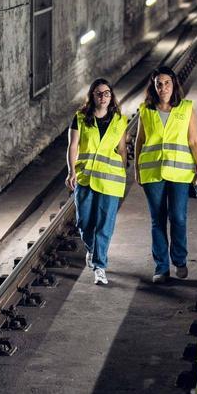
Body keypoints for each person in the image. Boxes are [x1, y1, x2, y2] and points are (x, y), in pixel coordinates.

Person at [134, 66, 197, 283]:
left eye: (167, 83)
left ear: (174, 84)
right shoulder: (145, 111)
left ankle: (180, 260)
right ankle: (161, 267)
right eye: (159, 83)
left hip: (181, 173)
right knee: (157, 220)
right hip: (152, 173)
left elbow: (194, 141)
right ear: (153, 87)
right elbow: (140, 141)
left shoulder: (186, 108)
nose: (163, 87)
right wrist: (137, 170)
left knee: (178, 217)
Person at [67, 78, 129, 286]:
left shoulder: (120, 120)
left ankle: (99, 266)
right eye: (99, 93)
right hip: (86, 177)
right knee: (84, 222)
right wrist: (71, 171)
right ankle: (93, 249)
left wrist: (122, 171)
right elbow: (73, 147)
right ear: (92, 96)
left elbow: (121, 150)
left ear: (112, 97)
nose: (103, 97)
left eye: (107, 93)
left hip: (110, 180)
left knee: (105, 225)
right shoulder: (81, 118)